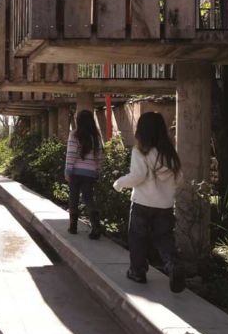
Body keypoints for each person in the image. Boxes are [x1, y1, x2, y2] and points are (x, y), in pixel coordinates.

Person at [113, 111, 186, 293]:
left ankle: (137, 272)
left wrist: (119, 183)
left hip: (142, 204)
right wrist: (168, 192)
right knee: (164, 238)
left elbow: (137, 176)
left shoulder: (140, 151)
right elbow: (180, 180)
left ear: (141, 131)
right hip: (165, 206)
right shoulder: (170, 154)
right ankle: (172, 264)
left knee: (138, 239)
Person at [64, 110, 104, 239]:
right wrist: (97, 171)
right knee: (89, 199)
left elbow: (71, 154)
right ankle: (96, 226)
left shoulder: (74, 135)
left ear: (78, 121)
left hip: (75, 173)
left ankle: (73, 227)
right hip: (90, 173)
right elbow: (99, 156)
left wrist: (68, 171)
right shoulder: (96, 136)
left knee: (73, 198)